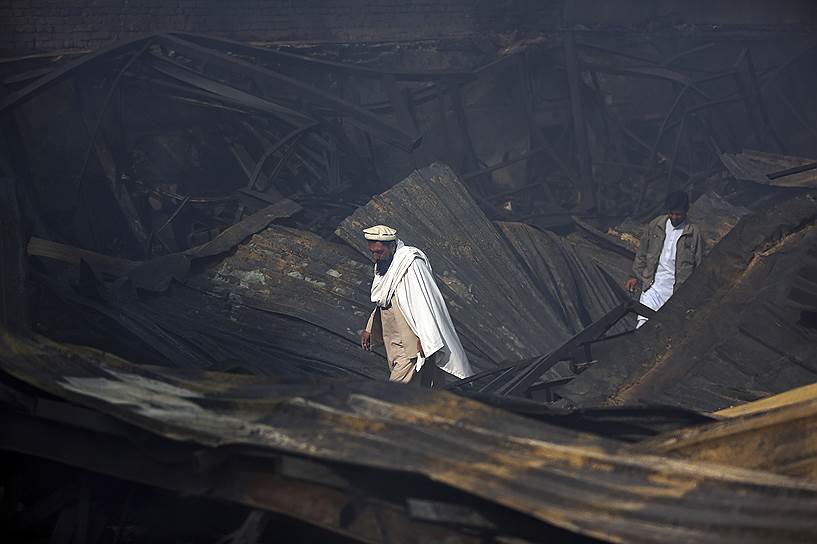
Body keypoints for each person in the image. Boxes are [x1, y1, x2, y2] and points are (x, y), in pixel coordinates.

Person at [360, 225, 474, 386]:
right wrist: (369, 327)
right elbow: (384, 299)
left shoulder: (411, 263)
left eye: (379, 252)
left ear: (392, 246)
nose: (376, 257)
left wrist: (425, 337)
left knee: (396, 389)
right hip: (392, 339)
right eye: (372, 252)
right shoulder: (386, 265)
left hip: (410, 340)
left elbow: (424, 304)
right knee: (420, 385)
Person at [625, 192, 704, 328]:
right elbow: (642, 253)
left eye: (678, 214)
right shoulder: (656, 225)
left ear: (685, 211)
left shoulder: (693, 233)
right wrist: (634, 276)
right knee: (642, 324)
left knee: (664, 328)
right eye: (671, 213)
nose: (674, 217)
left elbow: (699, 264)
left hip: (676, 291)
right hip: (652, 286)